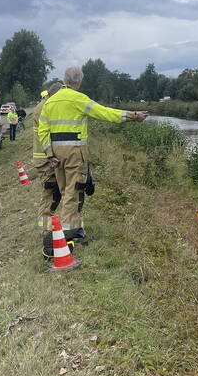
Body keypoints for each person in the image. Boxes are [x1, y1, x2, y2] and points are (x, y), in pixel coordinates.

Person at [37, 66, 148, 243]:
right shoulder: (78, 99)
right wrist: (133, 116)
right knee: (72, 195)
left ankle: (70, 232)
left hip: (56, 156)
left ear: (65, 80)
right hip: (74, 154)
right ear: (79, 81)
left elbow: (42, 130)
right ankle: (67, 238)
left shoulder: (50, 101)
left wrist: (49, 154)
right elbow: (104, 112)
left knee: (65, 192)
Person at [32, 81, 64, 255]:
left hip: (46, 158)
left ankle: (52, 229)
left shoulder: (44, 105)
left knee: (53, 195)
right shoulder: (45, 108)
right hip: (46, 160)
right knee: (50, 196)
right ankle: (46, 233)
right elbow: (49, 134)